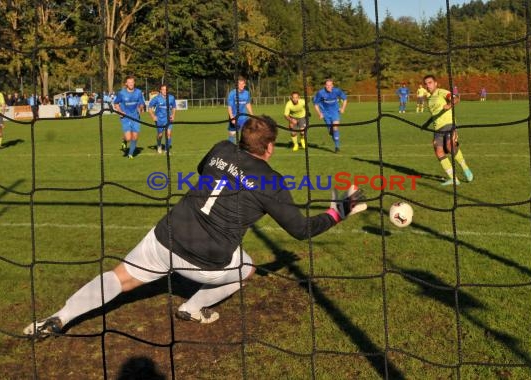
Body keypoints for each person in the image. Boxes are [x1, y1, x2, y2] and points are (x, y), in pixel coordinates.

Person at [23, 115, 367, 338]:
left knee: (119, 278)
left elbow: (206, 170)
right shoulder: (272, 182)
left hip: (168, 234)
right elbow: (300, 230)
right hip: (207, 259)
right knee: (247, 268)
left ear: (241, 138)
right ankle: (191, 306)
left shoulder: (220, 149)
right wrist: (339, 211)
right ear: (271, 146)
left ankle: (58, 317)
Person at [423, 74, 473, 186]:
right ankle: (454, 179)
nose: (428, 85)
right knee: (438, 151)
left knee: (450, 145)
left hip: (449, 124)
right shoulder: (429, 99)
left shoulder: (442, 92)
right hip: (437, 128)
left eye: (430, 82)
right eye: (426, 84)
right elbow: (434, 114)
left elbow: (456, 99)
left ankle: (466, 169)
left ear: (436, 83)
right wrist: (426, 124)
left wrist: (449, 104)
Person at [113, 76, 146, 159]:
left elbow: (141, 103)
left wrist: (141, 108)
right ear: (126, 84)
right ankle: (124, 140)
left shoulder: (138, 92)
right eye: (129, 82)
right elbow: (116, 104)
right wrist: (120, 112)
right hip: (125, 117)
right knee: (128, 138)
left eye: (132, 82)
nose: (131, 84)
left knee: (135, 137)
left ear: (134, 83)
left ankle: (130, 154)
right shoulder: (122, 93)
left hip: (135, 117)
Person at [313, 79, 347, 153]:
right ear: (325, 86)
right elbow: (315, 104)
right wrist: (320, 113)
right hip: (326, 113)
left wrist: (343, 108)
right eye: (327, 85)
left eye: (330, 85)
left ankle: (337, 147)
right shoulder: (320, 93)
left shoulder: (337, 91)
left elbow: (345, 99)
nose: (328, 87)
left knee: (335, 127)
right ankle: (333, 134)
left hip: (335, 112)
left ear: (332, 85)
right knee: (331, 132)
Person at [148, 84, 176, 154]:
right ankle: (159, 145)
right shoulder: (156, 98)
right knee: (160, 135)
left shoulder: (171, 98)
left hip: (168, 119)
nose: (164, 91)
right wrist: (153, 116)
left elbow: (174, 107)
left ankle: (167, 150)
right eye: (163, 89)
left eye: (166, 90)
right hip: (159, 119)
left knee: (168, 134)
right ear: (160, 90)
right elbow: (149, 107)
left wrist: (173, 115)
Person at [227, 76, 253, 144]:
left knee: (247, 133)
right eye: (239, 84)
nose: (241, 85)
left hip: (243, 117)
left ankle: (244, 148)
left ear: (245, 84)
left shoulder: (247, 93)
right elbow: (229, 107)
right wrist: (232, 117)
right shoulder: (232, 93)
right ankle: (231, 148)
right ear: (237, 84)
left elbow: (248, 104)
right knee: (232, 134)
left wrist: (251, 114)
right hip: (234, 116)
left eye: (242, 84)